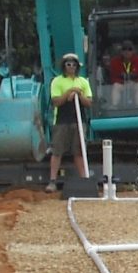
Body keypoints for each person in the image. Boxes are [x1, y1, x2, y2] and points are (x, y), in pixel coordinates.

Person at [47, 52, 92, 190]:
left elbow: (89, 103)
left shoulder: (83, 82)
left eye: (74, 64)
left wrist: (79, 94)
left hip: (79, 121)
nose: (71, 67)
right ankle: (52, 181)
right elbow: (56, 101)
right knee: (57, 151)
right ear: (64, 66)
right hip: (61, 121)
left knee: (79, 152)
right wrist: (69, 92)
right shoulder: (57, 81)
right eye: (68, 64)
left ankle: (84, 180)